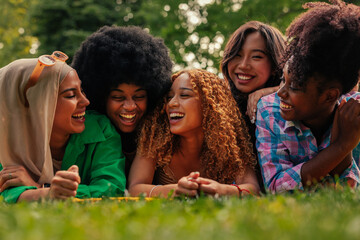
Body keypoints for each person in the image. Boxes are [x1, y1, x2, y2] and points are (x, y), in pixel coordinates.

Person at [256, 0, 360, 193]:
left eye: (294, 87)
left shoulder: (353, 109)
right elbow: (276, 187)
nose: (280, 93)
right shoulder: (269, 110)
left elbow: (346, 191)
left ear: (330, 96)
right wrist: (343, 145)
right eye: (282, 80)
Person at [0, 54, 126, 203]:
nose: (86, 101)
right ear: (38, 104)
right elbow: (5, 192)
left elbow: (110, 189)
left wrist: (42, 189)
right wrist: (49, 192)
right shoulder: (7, 142)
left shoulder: (101, 129)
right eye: (71, 95)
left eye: (82, 90)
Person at [128, 69, 260, 197]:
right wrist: (174, 190)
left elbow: (253, 189)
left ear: (210, 105)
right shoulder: (155, 141)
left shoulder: (230, 147)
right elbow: (135, 188)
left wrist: (223, 190)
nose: (171, 103)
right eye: (169, 97)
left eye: (184, 95)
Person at [72, 26, 173, 180]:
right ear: (101, 97)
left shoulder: (157, 133)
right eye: (118, 98)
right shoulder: (86, 133)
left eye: (139, 96)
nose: (130, 106)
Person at [220, 21, 286, 191]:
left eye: (256, 57)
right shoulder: (221, 103)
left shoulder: (287, 104)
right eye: (237, 55)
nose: (243, 65)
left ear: (275, 65)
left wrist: (274, 91)